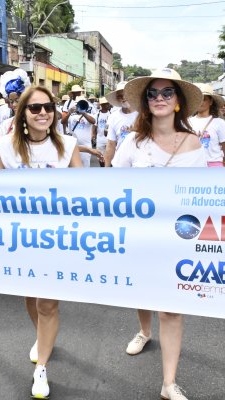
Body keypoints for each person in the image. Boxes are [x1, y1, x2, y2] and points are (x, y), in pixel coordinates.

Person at [112, 68, 206, 400]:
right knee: (142, 292)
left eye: (167, 93)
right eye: (152, 94)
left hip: (178, 238)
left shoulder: (194, 143)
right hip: (139, 236)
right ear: (145, 102)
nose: (159, 99)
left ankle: (169, 383)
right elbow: (113, 186)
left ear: (178, 102)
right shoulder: (133, 142)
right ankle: (143, 330)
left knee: (170, 308)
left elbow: (202, 196)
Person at [0, 86, 82, 399]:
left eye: (48, 107)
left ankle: (41, 367)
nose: (43, 112)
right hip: (20, 240)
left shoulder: (69, 145)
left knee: (47, 302)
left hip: (56, 239)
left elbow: (85, 193)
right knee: (31, 297)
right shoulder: (5, 147)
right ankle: (43, 337)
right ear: (23, 115)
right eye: (35, 108)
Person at [0, 68, 31, 148]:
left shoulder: (37, 121)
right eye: (11, 101)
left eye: (18, 100)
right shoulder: (6, 125)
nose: (14, 105)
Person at [189, 83, 225, 167]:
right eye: (197, 99)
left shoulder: (219, 123)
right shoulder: (187, 122)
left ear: (211, 101)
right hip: (193, 165)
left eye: (203, 99)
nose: (200, 102)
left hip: (213, 165)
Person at [104, 81, 139, 167]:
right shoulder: (113, 117)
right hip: (120, 164)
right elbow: (111, 145)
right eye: (120, 96)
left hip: (140, 163)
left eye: (126, 94)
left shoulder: (143, 113)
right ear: (117, 99)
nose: (123, 98)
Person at [67, 96, 103, 167]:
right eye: (78, 105)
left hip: (86, 147)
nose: (79, 107)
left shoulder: (88, 115)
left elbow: (93, 121)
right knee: (74, 167)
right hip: (74, 146)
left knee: (85, 167)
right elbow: (63, 122)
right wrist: (69, 113)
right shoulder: (72, 116)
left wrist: (83, 113)